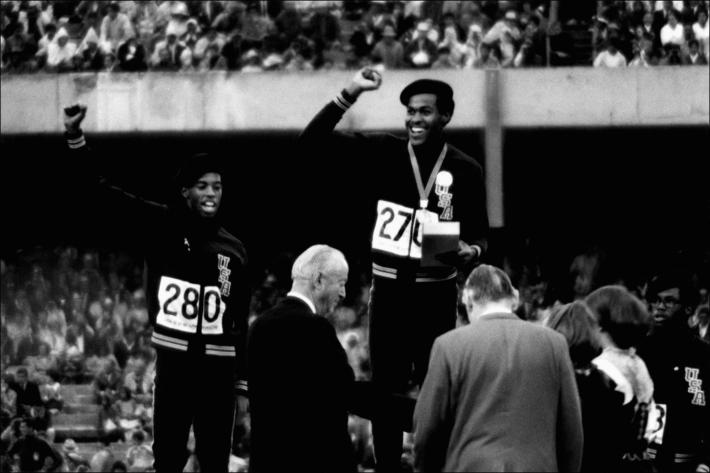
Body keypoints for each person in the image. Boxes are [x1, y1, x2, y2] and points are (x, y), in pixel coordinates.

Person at [299, 70, 489, 471]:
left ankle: (434, 465)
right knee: (385, 395)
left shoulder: (466, 168)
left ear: (446, 117)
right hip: (390, 294)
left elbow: (482, 236)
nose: (414, 119)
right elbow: (311, 141)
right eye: (409, 112)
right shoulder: (385, 151)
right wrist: (352, 91)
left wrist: (471, 250)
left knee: (438, 392)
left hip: (437, 294)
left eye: (424, 112)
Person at [62, 104, 250, 473]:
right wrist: (74, 137)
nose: (211, 193)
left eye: (217, 186)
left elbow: (239, 319)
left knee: (215, 460)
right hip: (175, 365)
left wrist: (241, 384)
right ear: (185, 192)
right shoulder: (162, 224)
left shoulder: (235, 248)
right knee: (168, 458)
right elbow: (99, 192)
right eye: (202, 186)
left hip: (218, 372)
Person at [413, 265, 583, 472]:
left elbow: (427, 430)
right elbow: (571, 431)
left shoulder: (448, 346)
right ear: (515, 298)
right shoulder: (554, 344)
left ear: (468, 300)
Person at [247, 245, 356, 472]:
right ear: (318, 280)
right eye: (342, 283)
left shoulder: (258, 326)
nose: (344, 293)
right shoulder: (317, 328)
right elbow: (347, 391)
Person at [638, 274, 710, 473]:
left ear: (688, 308)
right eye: (657, 300)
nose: (660, 307)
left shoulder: (703, 355)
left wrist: (706, 462)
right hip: (643, 462)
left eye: (669, 301)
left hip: (690, 464)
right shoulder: (640, 352)